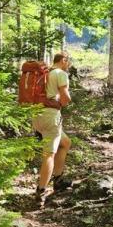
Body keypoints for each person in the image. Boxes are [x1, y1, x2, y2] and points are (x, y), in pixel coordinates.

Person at [32, 52, 72, 205]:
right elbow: (65, 97)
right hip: (50, 116)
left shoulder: (44, 73)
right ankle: (41, 191)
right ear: (63, 60)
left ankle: (58, 180)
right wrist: (63, 103)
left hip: (36, 115)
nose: (68, 65)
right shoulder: (60, 73)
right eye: (67, 62)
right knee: (49, 154)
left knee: (65, 143)